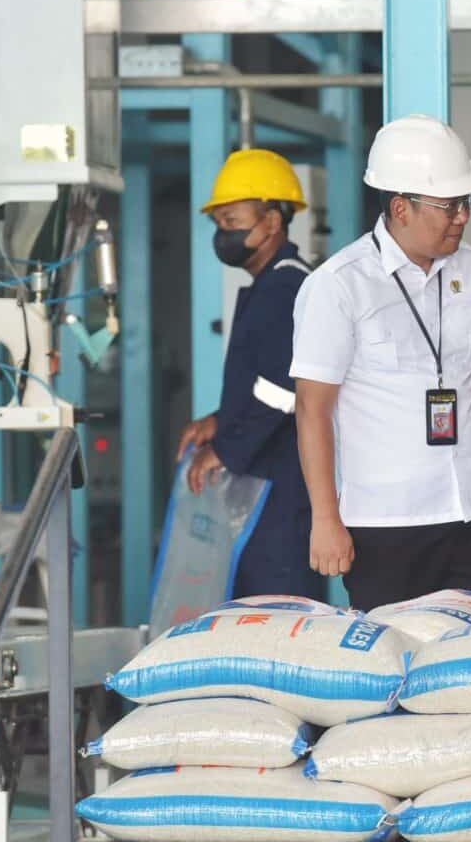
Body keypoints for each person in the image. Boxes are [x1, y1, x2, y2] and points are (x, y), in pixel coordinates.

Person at [290, 114, 471, 611]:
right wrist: (325, 518)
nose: (463, 216)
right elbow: (312, 409)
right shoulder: (340, 285)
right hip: (385, 527)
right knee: (398, 668)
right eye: (449, 206)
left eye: (467, 202)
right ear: (400, 208)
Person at [173, 148, 324, 601]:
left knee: (281, 615)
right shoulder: (267, 284)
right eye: (219, 224)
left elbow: (287, 389)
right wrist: (221, 418)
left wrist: (225, 448)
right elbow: (264, 379)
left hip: (283, 489)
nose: (224, 233)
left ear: (273, 222)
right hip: (263, 483)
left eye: (234, 221)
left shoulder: (287, 285)